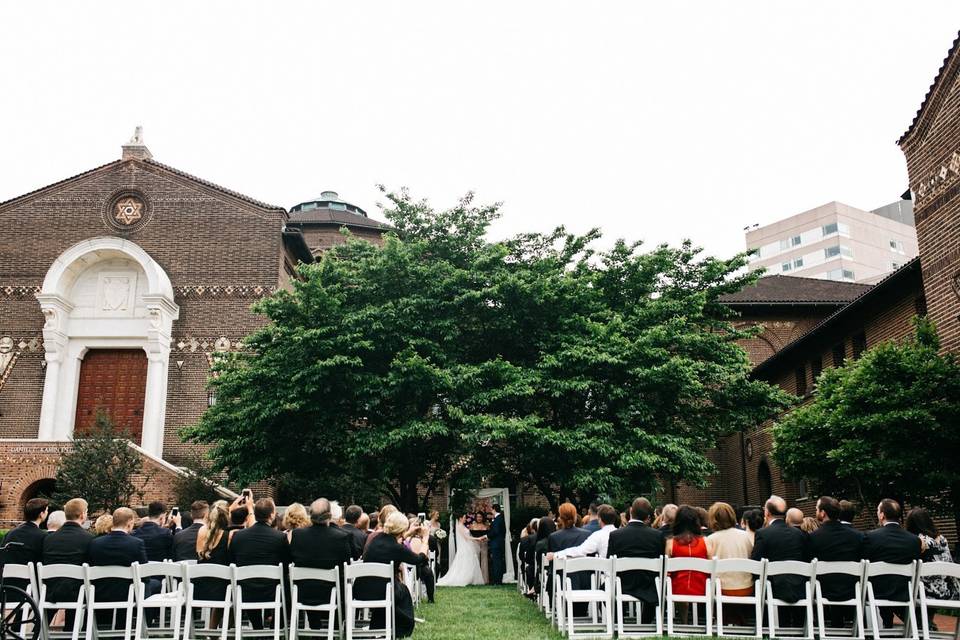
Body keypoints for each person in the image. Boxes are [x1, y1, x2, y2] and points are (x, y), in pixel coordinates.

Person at [358, 511, 428, 638]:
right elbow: (419, 559)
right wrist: (425, 539)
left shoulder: (376, 539)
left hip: (362, 590)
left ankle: (379, 627)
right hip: (384, 592)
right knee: (403, 590)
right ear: (401, 530)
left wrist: (407, 533)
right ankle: (403, 627)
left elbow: (392, 542)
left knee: (396, 589)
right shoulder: (396, 548)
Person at [288, 499, 354, 628]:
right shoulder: (341, 537)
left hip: (302, 592)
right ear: (329, 515)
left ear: (310, 515)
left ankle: (315, 626)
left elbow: (293, 559)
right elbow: (346, 565)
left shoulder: (298, 535)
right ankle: (334, 627)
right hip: (332, 593)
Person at [863, 499, 923, 628]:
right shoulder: (914, 540)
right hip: (905, 591)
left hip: (876, 592)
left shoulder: (870, 537)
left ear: (882, 515)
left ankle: (885, 624)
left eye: (878, 511)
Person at [230, 498, 288, 629]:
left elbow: (232, 561)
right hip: (273, 591)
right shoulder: (280, 537)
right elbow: (286, 564)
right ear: (272, 515)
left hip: (245, 590)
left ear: (254, 514)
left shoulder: (238, 536)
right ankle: (274, 628)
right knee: (288, 590)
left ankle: (257, 627)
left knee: (248, 585)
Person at [88, 507, 151, 629]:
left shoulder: (95, 543)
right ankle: (144, 626)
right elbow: (144, 573)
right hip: (128, 593)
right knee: (153, 585)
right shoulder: (136, 543)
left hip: (100, 592)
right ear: (129, 522)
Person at [750, 495, 809, 622]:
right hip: (800, 587)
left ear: (767, 512)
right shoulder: (799, 534)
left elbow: (756, 563)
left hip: (773, 588)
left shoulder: (763, 534)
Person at [607, 497, 666, 623]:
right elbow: (661, 562)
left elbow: (609, 562)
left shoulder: (616, 535)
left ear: (631, 511)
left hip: (622, 583)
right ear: (648, 516)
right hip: (648, 585)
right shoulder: (657, 536)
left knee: (603, 588)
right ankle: (646, 622)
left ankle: (618, 620)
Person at [808, 496, 864, 628]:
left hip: (823, 589)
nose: (816, 511)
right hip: (852, 588)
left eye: (816, 508)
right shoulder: (857, 536)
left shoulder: (813, 537)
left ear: (823, 513)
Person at [42, 497, 94, 628]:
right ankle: (74, 631)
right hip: (77, 593)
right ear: (82, 515)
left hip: (49, 592)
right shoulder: (88, 539)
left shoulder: (49, 539)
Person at [905, 507, 960, 617]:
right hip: (949, 592)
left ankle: (921, 625)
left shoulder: (918, 541)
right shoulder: (943, 539)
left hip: (926, 593)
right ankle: (926, 624)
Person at [667, 505, 709, 625]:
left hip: (678, 590)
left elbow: (667, 571)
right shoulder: (706, 542)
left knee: (679, 581)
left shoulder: (670, 544)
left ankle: (684, 620)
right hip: (702, 588)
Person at [195, 501, 231, 629]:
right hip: (221, 591)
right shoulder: (228, 536)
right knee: (233, 589)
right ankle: (227, 629)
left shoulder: (201, 531)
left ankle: (214, 630)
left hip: (199, 589)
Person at [3, 498, 49, 598]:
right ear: (41, 514)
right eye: (46, 510)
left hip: (8, 586)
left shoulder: (10, 534)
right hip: (31, 588)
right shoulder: (43, 536)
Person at [547, 504, 618, 561]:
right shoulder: (620, 533)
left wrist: (556, 554)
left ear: (599, 519)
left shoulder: (598, 535)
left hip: (604, 576)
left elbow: (580, 550)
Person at [437, 514, 485, 586]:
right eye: (464, 518)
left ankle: (470, 578)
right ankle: (463, 578)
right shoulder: (459, 526)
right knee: (464, 562)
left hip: (467, 546)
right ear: (460, 518)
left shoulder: (463, 526)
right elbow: (466, 537)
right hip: (464, 547)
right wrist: (477, 539)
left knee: (470, 562)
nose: (465, 519)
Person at [518, 518, 539, 596]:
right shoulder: (549, 538)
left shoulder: (525, 540)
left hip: (532, 566)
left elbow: (522, 556)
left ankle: (531, 589)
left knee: (528, 568)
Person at [488, 503, 507, 585]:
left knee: (497, 562)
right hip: (499, 543)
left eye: (492, 509)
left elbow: (495, 531)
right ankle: (498, 580)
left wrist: (487, 535)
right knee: (498, 562)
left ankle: (497, 581)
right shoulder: (499, 518)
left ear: (494, 509)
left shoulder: (498, 519)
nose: (491, 511)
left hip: (496, 544)